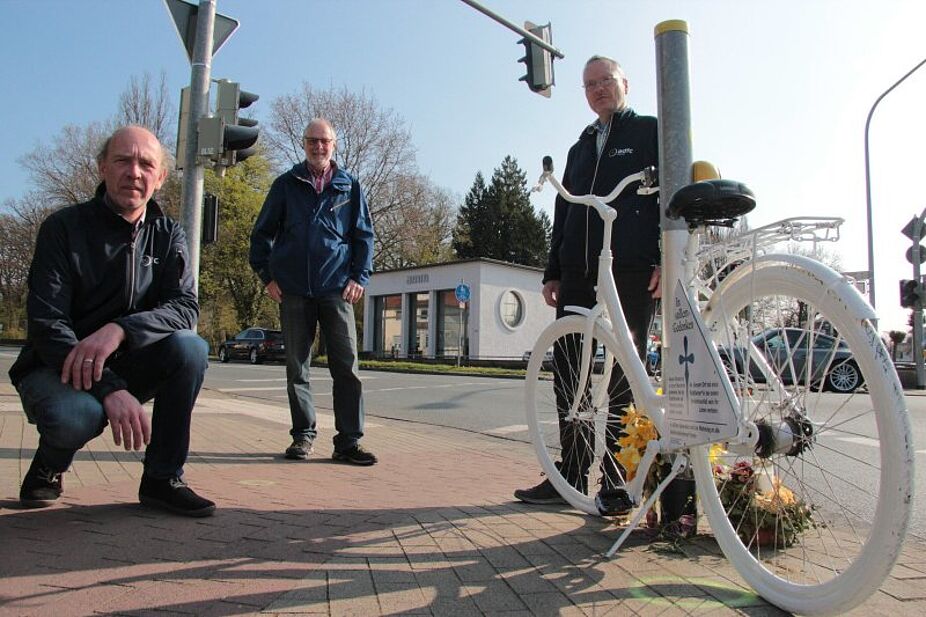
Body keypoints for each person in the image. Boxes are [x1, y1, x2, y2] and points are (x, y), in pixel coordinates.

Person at [515, 56, 696, 532]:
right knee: (569, 372)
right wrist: (554, 270)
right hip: (578, 272)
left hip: (633, 271)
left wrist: (665, 255)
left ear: (624, 84)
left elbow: (672, 195)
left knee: (625, 377)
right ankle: (567, 475)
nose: (598, 90)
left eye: (605, 81)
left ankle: (618, 482)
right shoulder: (578, 149)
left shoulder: (650, 132)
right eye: (590, 84)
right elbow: (564, 211)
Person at [10, 125, 215, 517]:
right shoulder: (63, 228)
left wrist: (120, 330)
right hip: (57, 365)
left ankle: (162, 478)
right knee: (78, 417)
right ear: (103, 166)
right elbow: (47, 323)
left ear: (160, 177)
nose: (134, 172)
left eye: (145, 164)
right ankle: (50, 463)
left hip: (126, 358)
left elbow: (185, 306)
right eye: (123, 160)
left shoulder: (168, 234)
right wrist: (110, 390)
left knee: (191, 348)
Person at [250, 118, 376, 466]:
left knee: (346, 367)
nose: (319, 147)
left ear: (334, 144)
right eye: (312, 141)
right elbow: (261, 236)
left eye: (325, 141)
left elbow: (364, 237)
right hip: (294, 291)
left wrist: (359, 277)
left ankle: (348, 442)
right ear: (303, 144)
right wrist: (267, 276)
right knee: (297, 368)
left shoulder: (350, 187)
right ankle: (302, 437)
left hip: (337, 289)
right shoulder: (285, 185)